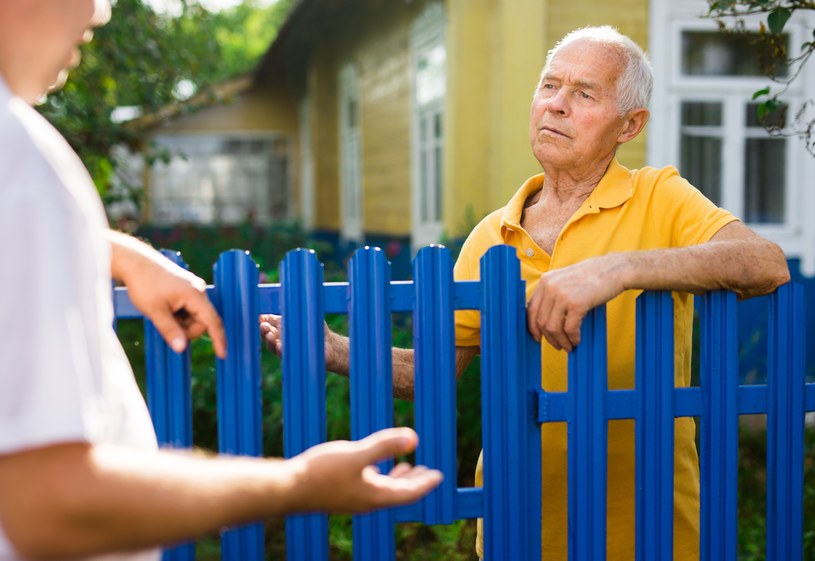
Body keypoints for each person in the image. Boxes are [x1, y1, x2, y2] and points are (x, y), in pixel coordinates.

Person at [261, 25, 790, 561]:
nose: (556, 105)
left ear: (630, 124)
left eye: (584, 94)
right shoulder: (492, 234)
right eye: (548, 86)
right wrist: (336, 349)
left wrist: (621, 268)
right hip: (521, 523)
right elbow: (434, 371)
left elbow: (764, 264)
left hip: (647, 524)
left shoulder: (660, 197)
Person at [0, 1, 442, 560]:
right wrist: (299, 485)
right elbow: (48, 504)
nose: (102, 11)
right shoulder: (17, 157)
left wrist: (114, 251)